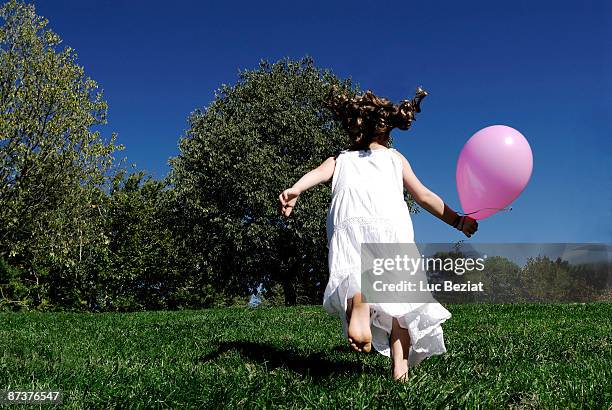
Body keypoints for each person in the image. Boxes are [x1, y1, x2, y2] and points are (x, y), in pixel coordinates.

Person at [278, 87, 478, 381]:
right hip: (388, 224)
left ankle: (359, 300)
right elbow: (423, 196)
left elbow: (317, 174)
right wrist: (457, 221)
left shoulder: (340, 159)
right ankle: (401, 370)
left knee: (353, 273)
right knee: (403, 305)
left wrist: (296, 189)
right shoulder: (395, 159)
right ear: (387, 129)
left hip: (349, 219)